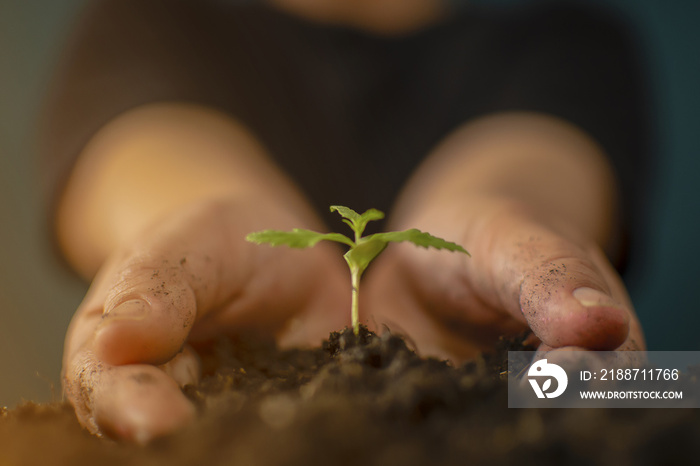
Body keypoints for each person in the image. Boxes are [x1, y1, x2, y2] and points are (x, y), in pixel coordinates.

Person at [41, 0, 650, 443]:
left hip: (488, 421)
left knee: (654, 388)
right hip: (242, 432)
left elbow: (538, 154)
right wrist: (186, 229)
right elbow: (144, 145)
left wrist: (507, 220)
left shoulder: (568, 36)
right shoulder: (146, 19)